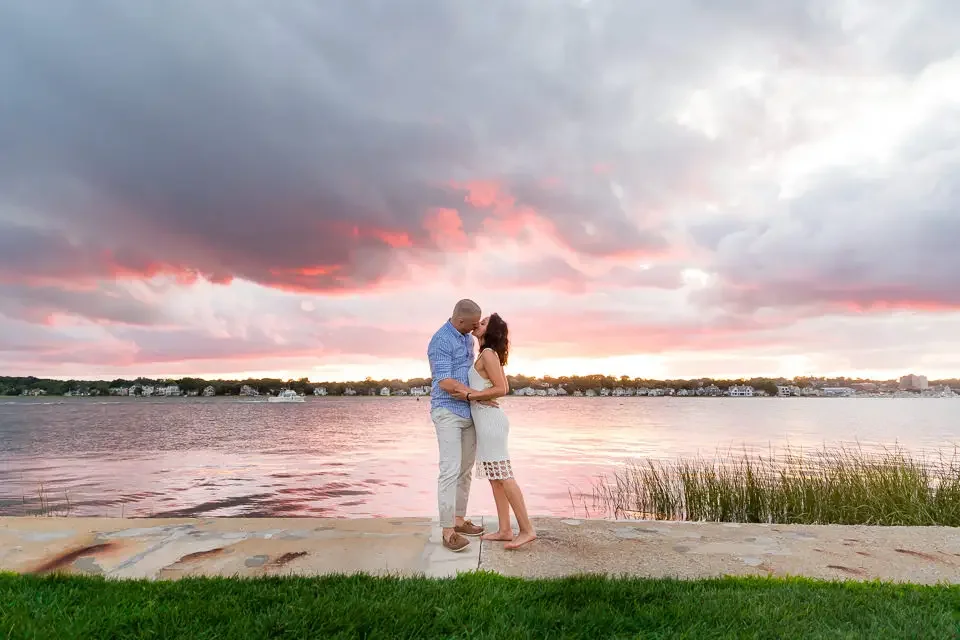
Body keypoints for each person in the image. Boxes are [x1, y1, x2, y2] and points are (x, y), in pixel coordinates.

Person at [451, 313, 536, 550]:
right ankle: (505, 530)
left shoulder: (488, 354)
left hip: (491, 422)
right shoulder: (485, 354)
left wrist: (470, 395)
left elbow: (501, 389)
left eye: (485, 322)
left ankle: (527, 530)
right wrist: (475, 396)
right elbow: (501, 386)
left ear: (491, 331)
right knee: (495, 479)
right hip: (486, 421)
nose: (479, 323)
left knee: (504, 476)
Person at [427, 299, 489, 552]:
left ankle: (459, 520)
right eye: (473, 324)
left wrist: (482, 335)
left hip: (469, 410)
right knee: (450, 470)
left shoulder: (467, 337)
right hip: (447, 411)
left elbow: (479, 364)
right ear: (460, 321)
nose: (475, 328)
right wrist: (474, 394)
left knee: (465, 470)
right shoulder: (441, 340)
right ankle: (447, 532)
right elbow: (444, 380)